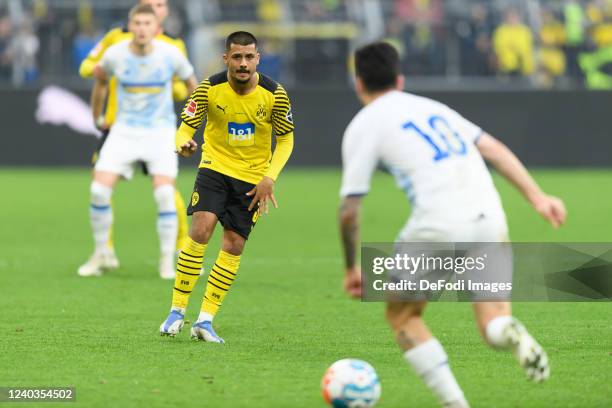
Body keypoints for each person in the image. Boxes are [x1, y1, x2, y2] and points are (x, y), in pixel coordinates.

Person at [338, 42, 566, 407]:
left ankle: (455, 404)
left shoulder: (365, 124)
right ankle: (508, 330)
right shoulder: (435, 109)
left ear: (358, 82)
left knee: (403, 315)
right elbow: (493, 149)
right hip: (490, 217)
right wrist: (538, 198)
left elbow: (350, 208)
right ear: (400, 78)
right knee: (492, 323)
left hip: (437, 225)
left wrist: (351, 267)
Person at [159, 31, 294, 344]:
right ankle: (177, 309)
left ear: (258, 58)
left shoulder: (275, 94)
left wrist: (269, 177)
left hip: (252, 179)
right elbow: (185, 128)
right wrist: (184, 144)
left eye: (249, 57)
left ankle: (205, 320)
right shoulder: (209, 89)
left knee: (234, 243)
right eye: (237, 57)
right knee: (201, 229)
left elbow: (286, 138)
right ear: (226, 59)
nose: (243, 64)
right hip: (215, 168)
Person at [78, 4, 197, 279]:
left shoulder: (171, 54)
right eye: (138, 23)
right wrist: (97, 118)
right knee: (98, 190)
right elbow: (100, 80)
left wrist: (187, 129)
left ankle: (166, 263)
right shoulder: (115, 53)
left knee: (165, 194)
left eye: (148, 24)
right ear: (130, 26)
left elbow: (195, 87)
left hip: (160, 133)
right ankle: (101, 254)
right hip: (124, 131)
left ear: (157, 28)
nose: (142, 29)